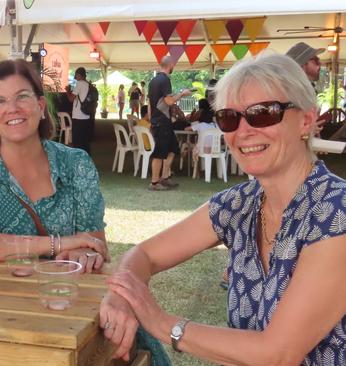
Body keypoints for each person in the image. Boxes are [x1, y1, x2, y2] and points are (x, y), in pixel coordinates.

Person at [101, 53, 345, 365]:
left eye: (263, 113)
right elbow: (144, 254)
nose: (243, 131)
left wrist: (162, 323)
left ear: (307, 121)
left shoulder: (336, 211)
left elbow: (279, 353)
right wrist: (119, 295)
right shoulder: (240, 204)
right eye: (229, 117)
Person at [0, 59, 109, 273]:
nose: (12, 108)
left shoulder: (76, 164)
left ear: (40, 106)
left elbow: (93, 243)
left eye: (22, 96)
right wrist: (56, 244)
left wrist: (86, 253)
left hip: (62, 297)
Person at [147, 56, 192, 191]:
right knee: (159, 153)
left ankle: (165, 177)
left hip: (160, 121)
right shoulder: (165, 80)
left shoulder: (153, 81)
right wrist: (182, 94)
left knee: (173, 149)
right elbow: (169, 101)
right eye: (174, 65)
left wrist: (151, 119)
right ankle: (154, 183)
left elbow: (150, 103)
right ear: (170, 65)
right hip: (162, 121)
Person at [66, 67, 92, 154]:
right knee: (84, 141)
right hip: (86, 115)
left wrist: (67, 91)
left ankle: (79, 160)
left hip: (78, 116)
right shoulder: (88, 84)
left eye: (76, 75)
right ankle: (87, 158)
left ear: (79, 75)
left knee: (77, 141)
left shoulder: (79, 83)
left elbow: (71, 99)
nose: (75, 77)